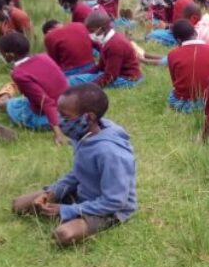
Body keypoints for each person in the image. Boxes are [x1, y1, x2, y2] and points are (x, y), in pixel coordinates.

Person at [11, 83, 137, 246]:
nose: (59, 120)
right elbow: (78, 173)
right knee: (19, 205)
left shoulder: (110, 152)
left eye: (65, 116)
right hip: (82, 195)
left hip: (110, 209)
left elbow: (114, 201)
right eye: (59, 113)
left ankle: (92, 220)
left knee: (63, 234)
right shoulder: (82, 133)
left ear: (89, 117)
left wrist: (67, 210)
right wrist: (53, 192)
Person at [0, 33, 68, 144]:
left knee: (14, 106)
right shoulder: (44, 56)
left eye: (1, 54)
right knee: (21, 101)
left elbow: (46, 102)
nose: (1, 56)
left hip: (50, 117)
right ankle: (5, 95)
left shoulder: (19, 74)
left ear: (9, 55)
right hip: (69, 107)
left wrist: (58, 133)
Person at [68, 11, 143, 89]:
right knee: (75, 79)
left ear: (102, 28)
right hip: (118, 74)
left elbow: (111, 76)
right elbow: (100, 67)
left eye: (91, 31)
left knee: (73, 81)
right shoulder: (107, 40)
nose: (90, 34)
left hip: (128, 79)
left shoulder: (115, 45)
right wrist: (81, 74)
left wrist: (91, 86)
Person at [165, 19, 209, 113]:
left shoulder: (172, 54)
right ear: (195, 33)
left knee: (172, 95)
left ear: (178, 40)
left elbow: (174, 81)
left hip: (183, 103)